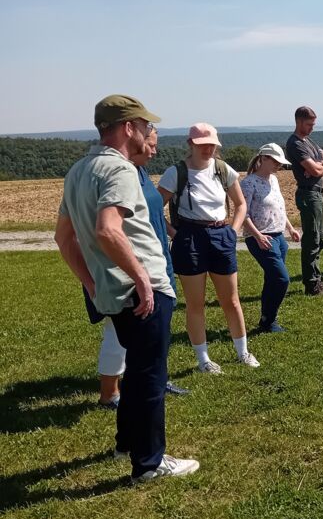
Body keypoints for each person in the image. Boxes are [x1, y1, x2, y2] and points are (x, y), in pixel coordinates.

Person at [55, 94, 198, 482]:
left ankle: (126, 445)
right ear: (128, 127)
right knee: (150, 375)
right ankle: (149, 464)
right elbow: (107, 229)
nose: (150, 132)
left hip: (114, 291)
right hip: (142, 291)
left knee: (136, 369)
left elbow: (63, 238)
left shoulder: (79, 170)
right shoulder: (119, 169)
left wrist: (91, 282)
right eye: (147, 125)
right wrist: (142, 279)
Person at [92, 128, 188, 409]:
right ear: (134, 141)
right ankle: (110, 393)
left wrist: (171, 235)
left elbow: (153, 213)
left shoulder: (141, 171)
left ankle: (155, 378)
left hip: (156, 259)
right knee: (118, 333)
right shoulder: (117, 174)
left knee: (157, 328)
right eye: (151, 145)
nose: (155, 151)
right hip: (129, 266)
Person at [158, 123, 258, 373]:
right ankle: (203, 360)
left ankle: (243, 353)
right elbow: (154, 208)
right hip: (189, 237)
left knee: (231, 300)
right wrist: (176, 234)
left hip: (220, 234)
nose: (208, 149)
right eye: (202, 145)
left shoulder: (223, 169)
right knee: (195, 304)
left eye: (212, 145)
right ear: (190, 144)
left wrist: (232, 231)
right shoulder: (176, 173)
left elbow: (241, 204)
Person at [240, 143, 301, 333]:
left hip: (278, 237)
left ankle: (266, 320)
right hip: (261, 238)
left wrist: (290, 228)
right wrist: (258, 236)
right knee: (282, 279)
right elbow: (243, 214)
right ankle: (270, 319)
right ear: (263, 158)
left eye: (280, 162)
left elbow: (278, 208)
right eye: (275, 161)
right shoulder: (248, 183)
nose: (278, 165)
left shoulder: (273, 180)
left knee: (272, 279)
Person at [286, 106, 323, 295]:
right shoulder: (295, 144)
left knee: (320, 238)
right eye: (309, 124)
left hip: (318, 194)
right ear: (299, 122)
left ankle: (316, 277)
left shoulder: (309, 142)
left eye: (313, 124)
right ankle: (311, 283)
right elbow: (315, 171)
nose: (312, 128)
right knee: (312, 239)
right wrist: (318, 167)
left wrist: (320, 164)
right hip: (308, 195)